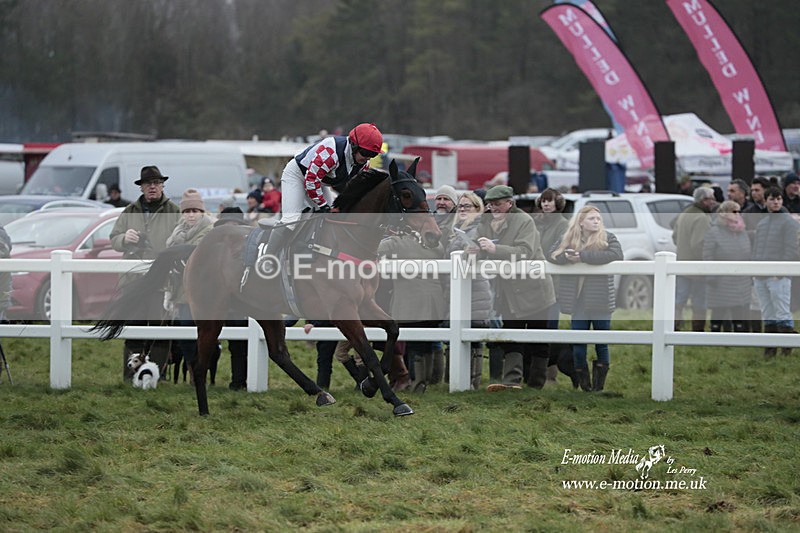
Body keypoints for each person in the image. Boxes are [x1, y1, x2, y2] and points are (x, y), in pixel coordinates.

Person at [258, 123, 383, 276]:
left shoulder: (363, 164)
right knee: (292, 219)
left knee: (335, 217)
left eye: (373, 155)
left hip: (320, 181)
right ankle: (267, 258)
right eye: (365, 152)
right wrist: (322, 205)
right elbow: (310, 181)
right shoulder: (331, 151)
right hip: (297, 176)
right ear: (354, 145)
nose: (367, 158)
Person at [470, 185, 556, 391]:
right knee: (511, 336)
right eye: (490, 205)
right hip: (508, 290)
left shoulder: (525, 221)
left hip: (534, 288)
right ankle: (511, 382)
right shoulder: (486, 221)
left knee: (538, 337)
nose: (493, 209)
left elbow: (525, 251)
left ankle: (536, 385)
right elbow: (477, 244)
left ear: (510, 203)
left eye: (498, 204)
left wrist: (494, 248)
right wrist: (472, 251)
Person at [109, 166, 181, 379]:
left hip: (161, 281)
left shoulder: (174, 211)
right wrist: (124, 239)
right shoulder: (129, 211)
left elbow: (182, 242)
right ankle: (130, 375)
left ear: (162, 186)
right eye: (148, 183)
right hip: (133, 280)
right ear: (141, 187)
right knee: (133, 327)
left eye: (156, 183)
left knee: (159, 328)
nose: (152, 187)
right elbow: (114, 239)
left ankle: (156, 375)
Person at [550, 206, 623, 392]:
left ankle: (598, 388)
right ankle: (585, 387)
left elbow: (616, 255)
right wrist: (567, 258)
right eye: (591, 218)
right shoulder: (568, 238)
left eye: (598, 218)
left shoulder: (608, 237)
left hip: (601, 300)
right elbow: (552, 254)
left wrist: (582, 256)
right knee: (579, 344)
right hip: (578, 301)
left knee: (602, 343)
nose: (596, 221)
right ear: (581, 221)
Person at [379, 227, 445, 394]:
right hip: (434, 300)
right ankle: (427, 382)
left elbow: (377, 249)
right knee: (428, 343)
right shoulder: (436, 245)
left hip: (410, 301)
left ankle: (416, 384)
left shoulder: (397, 242)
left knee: (415, 345)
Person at [166, 189, 215, 382]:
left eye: (195, 210)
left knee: (204, 332)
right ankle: (192, 367)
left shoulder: (209, 230)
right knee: (184, 331)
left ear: (201, 211)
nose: (191, 215)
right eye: (187, 211)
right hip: (181, 290)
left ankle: (201, 369)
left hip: (204, 291)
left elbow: (193, 253)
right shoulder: (178, 231)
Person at [446, 192, 494, 390]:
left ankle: (472, 382)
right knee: (454, 333)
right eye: (461, 206)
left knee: (473, 335)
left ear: (477, 208)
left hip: (476, 290)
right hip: (454, 289)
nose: (463, 209)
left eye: (468, 206)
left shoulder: (480, 228)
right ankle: (455, 379)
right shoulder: (453, 230)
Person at [752, 186, 800, 357]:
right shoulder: (762, 223)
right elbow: (757, 249)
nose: (776, 202)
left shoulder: (788, 222)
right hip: (761, 275)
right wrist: (755, 269)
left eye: (779, 199)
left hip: (778, 275)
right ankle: (770, 348)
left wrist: (781, 271)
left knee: (781, 310)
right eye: (772, 199)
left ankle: (786, 346)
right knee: (767, 311)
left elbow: (792, 249)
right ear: (766, 201)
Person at [213, 206, 251, 389]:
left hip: (243, 303)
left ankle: (241, 381)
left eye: (234, 224)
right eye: (227, 224)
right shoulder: (215, 249)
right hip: (220, 303)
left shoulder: (248, 248)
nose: (230, 227)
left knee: (241, 345)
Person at [534, 188, 569, 384]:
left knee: (550, 326)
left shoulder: (563, 225)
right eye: (544, 201)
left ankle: (550, 374)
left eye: (550, 201)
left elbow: (558, 249)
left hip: (553, 285)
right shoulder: (536, 223)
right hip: (534, 283)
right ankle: (534, 370)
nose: (546, 204)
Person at [702, 200, 751, 333]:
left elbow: (747, 250)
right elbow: (707, 255)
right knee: (719, 310)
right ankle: (715, 338)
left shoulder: (741, 230)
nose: (737, 214)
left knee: (739, 310)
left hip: (740, 279)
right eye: (734, 211)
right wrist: (712, 276)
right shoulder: (714, 232)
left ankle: (739, 339)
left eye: (738, 211)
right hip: (720, 280)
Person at [672, 186, 715, 332]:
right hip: (697, 268)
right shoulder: (702, 218)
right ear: (704, 200)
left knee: (678, 302)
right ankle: (697, 334)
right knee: (699, 304)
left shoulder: (684, 213)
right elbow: (699, 245)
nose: (713, 202)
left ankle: (672, 330)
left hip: (681, 265)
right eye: (711, 199)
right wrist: (707, 264)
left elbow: (674, 237)